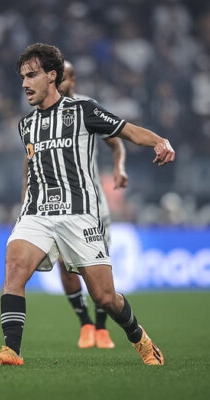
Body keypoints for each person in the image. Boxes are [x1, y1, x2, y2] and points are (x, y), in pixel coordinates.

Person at [0, 43, 174, 366]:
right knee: (14, 267)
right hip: (37, 213)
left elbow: (127, 131)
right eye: (22, 77)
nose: (25, 84)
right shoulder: (25, 125)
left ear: (52, 76)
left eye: (32, 76)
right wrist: (24, 203)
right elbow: (31, 171)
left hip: (79, 215)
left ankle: (140, 338)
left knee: (104, 297)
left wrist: (159, 141)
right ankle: (11, 350)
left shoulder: (82, 111)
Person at [57, 60, 128, 349]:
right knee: (64, 264)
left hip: (91, 202)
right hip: (58, 204)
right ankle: (85, 324)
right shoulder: (40, 113)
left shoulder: (86, 108)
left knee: (97, 264)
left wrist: (119, 167)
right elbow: (29, 158)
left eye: (63, 76)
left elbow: (116, 140)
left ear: (72, 80)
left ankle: (101, 328)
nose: (58, 81)